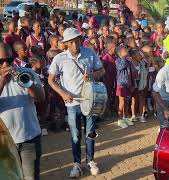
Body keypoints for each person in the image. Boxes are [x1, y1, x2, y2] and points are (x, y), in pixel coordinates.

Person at [48, 28, 105, 178]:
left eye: (77, 40)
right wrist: (63, 94)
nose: (75, 44)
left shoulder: (89, 53)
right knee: (75, 135)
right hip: (72, 103)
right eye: (71, 42)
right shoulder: (59, 59)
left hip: (89, 100)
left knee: (90, 133)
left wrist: (92, 75)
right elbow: (51, 80)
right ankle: (76, 164)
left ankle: (91, 161)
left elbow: (102, 70)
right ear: (66, 43)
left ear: (80, 39)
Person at [0, 42, 45, 180]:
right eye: (0, 61)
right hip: (4, 144)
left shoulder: (27, 72)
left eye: (8, 60)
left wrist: (28, 84)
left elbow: (41, 98)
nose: (5, 65)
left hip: (29, 139)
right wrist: (2, 82)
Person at [115, 45, 136, 128]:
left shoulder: (128, 60)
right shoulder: (118, 61)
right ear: (120, 53)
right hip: (121, 85)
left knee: (127, 101)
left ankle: (126, 117)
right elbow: (121, 67)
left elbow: (132, 70)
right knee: (122, 102)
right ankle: (120, 120)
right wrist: (124, 58)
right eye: (124, 50)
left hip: (128, 84)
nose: (126, 51)